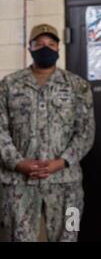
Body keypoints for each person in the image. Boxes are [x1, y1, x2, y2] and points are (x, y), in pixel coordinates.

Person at [0, 23, 95, 241]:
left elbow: (86, 132)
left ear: (59, 48)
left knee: (70, 235)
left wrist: (61, 162)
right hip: (18, 185)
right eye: (40, 44)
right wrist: (18, 162)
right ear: (30, 48)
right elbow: (1, 130)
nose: (46, 48)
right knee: (18, 237)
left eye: (51, 44)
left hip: (67, 183)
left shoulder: (78, 86)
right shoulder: (8, 85)